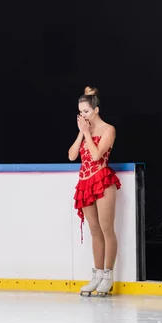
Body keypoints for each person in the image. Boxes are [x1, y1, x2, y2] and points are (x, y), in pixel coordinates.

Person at [68, 86, 121, 296]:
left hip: (102, 180)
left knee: (107, 229)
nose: (83, 116)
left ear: (96, 110)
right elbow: (72, 155)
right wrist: (82, 134)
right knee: (94, 230)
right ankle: (97, 274)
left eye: (86, 112)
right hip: (85, 183)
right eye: (80, 113)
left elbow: (98, 155)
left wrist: (87, 134)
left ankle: (108, 275)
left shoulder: (109, 129)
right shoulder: (84, 131)